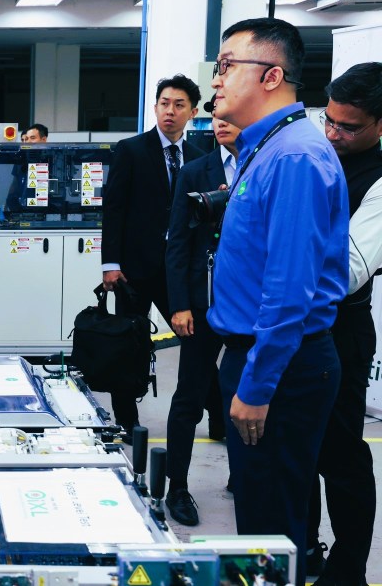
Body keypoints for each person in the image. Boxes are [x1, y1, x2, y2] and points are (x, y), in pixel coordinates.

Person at [207, 18, 348, 586]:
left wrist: (258, 385)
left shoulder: (293, 158)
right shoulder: (267, 149)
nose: (216, 80)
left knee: (270, 533)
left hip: (280, 367)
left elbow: (289, 292)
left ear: (271, 76)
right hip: (261, 357)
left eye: (226, 66)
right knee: (261, 521)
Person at [305, 61, 382, 586]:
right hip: (296, 327)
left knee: (340, 454)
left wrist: (286, 250)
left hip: (342, 333)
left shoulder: (377, 180)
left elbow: (349, 271)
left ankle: (348, 569)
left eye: (348, 127)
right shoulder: (316, 153)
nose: (333, 133)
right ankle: (305, 547)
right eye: (328, 120)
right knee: (297, 450)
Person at [100, 74, 204, 439]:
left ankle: (214, 412)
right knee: (128, 345)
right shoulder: (130, 150)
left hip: (179, 270)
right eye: (164, 104)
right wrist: (110, 264)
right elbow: (113, 209)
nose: (170, 111)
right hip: (133, 269)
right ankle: (126, 418)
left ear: (192, 112)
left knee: (198, 341)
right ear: (156, 107)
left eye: (179, 105)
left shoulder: (198, 159)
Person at [163, 117, 238, 526]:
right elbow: (177, 241)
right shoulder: (195, 170)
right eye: (217, 115)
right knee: (189, 397)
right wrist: (179, 305)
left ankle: (242, 475)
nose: (223, 122)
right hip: (202, 302)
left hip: (248, 306)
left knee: (243, 393)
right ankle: (177, 486)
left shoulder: (265, 165)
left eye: (231, 114)